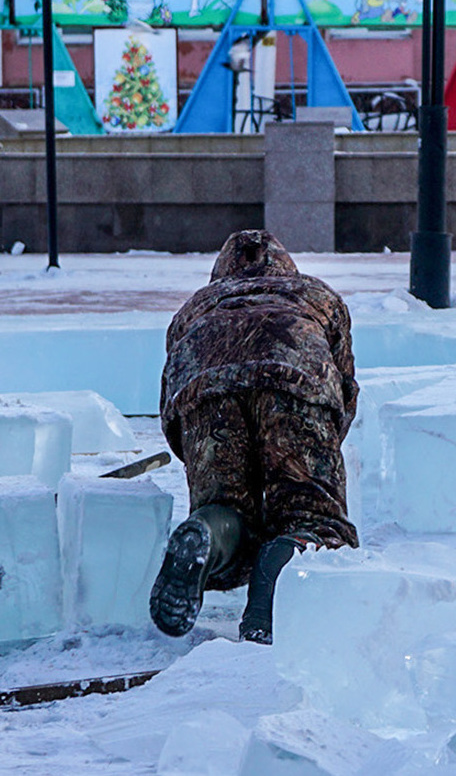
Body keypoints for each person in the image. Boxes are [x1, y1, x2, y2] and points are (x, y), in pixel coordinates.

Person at [150, 229, 360, 643]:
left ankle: (208, 535)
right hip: (294, 381)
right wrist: (310, 459)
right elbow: (345, 388)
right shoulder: (318, 296)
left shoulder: (194, 308)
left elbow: (171, 402)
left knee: (228, 510)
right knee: (315, 520)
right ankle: (273, 597)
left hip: (204, 394)